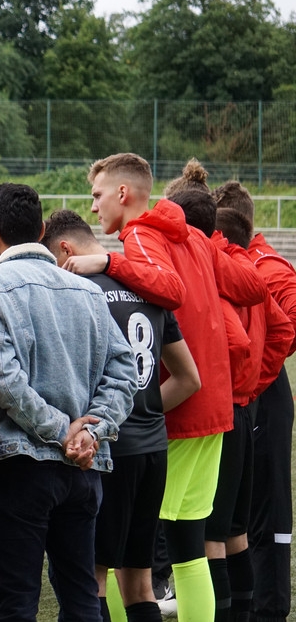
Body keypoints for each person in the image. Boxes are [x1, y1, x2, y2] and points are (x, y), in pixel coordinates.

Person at [63, 153, 267, 622]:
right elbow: (250, 287)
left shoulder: (140, 236)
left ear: (122, 193)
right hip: (215, 404)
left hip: (179, 412)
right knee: (188, 544)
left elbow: (169, 289)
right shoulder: (194, 235)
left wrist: (106, 259)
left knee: (119, 557)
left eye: (97, 195)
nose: (93, 207)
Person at [0, 183, 137, 622]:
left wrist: (65, 431)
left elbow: (3, 379)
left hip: (20, 464)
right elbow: (125, 375)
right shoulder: (87, 290)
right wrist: (90, 432)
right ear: (41, 229)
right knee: (81, 596)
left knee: (17, 600)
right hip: (84, 468)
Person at [43, 209, 202, 622]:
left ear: (65, 250)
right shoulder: (146, 287)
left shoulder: (80, 289)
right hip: (153, 449)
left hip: (106, 452)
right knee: (139, 583)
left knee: (91, 578)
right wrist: (143, 410)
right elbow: (188, 379)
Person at [214, 180, 296, 622]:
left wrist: (255, 379)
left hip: (261, 393)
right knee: (236, 511)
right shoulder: (238, 261)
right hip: (247, 394)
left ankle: (270, 606)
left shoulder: (268, 265)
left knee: (267, 506)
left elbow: (289, 327)